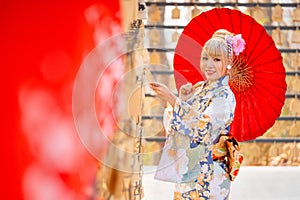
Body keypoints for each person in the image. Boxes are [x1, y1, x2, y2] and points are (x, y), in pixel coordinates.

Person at [150, 29, 245, 199]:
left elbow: (205, 129)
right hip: (190, 169)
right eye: (205, 58)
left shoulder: (224, 95)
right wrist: (184, 100)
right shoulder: (200, 88)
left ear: (228, 62)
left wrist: (173, 100)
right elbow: (180, 127)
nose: (209, 65)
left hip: (211, 174)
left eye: (216, 59)